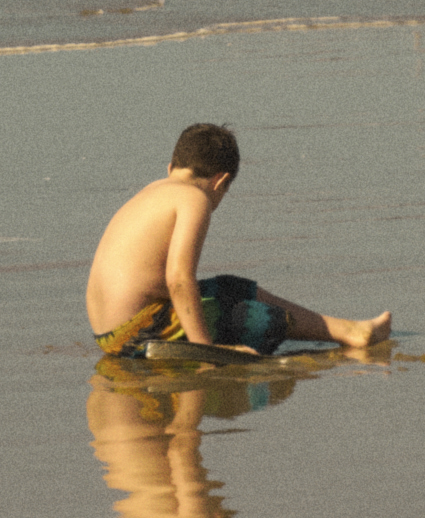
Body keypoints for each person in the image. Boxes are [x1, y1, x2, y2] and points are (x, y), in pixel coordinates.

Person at [86, 123, 392, 358]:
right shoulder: (194, 198)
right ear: (220, 181)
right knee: (266, 321)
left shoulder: (152, 191)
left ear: (171, 167)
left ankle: (348, 330)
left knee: (231, 287)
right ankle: (348, 332)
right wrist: (205, 350)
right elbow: (178, 278)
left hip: (106, 334)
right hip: (139, 332)